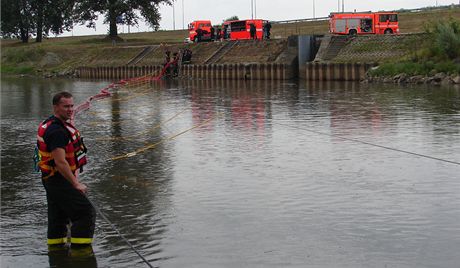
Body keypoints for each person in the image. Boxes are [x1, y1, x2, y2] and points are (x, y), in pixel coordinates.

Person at [37, 91, 96, 249]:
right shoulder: (57, 132)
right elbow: (60, 162)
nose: (70, 109)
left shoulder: (51, 124)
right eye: (66, 106)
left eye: (71, 106)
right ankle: (81, 256)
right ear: (55, 107)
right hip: (59, 180)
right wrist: (76, 184)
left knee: (58, 217)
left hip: (50, 179)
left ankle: (56, 252)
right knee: (85, 212)